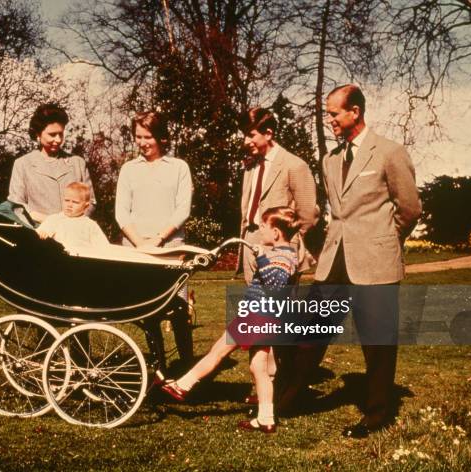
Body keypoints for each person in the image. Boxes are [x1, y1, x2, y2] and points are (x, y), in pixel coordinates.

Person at [283, 84, 422, 438]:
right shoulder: (330, 159)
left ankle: (377, 416)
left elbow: (409, 209)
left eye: (333, 113)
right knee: (310, 333)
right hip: (334, 262)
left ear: (355, 112)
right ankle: (288, 400)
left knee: (377, 343)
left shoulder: (389, 152)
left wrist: (384, 241)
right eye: (328, 113)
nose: (328, 119)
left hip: (375, 261)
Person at [161, 207, 299, 434]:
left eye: (263, 226)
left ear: (275, 232)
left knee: (217, 352)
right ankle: (266, 418)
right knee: (259, 368)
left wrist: (262, 258)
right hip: (264, 317)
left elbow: (275, 284)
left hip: (257, 316)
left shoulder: (282, 257)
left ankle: (182, 385)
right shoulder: (285, 253)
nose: (259, 230)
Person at [115, 111, 194, 369]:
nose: (142, 142)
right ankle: (159, 368)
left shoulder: (179, 167)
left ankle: (187, 366)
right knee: (148, 311)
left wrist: (159, 239)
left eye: (147, 136)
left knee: (179, 309)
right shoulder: (129, 169)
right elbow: (120, 213)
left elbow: (183, 209)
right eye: (138, 136)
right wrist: (141, 244)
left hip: (171, 249)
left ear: (160, 136)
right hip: (138, 250)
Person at [239, 107, 319, 284]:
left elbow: (307, 215)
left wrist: (287, 243)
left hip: (281, 247)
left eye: (250, 135)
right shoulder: (250, 167)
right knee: (255, 306)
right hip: (250, 242)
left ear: (268, 133)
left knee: (281, 309)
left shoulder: (294, 165)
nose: (246, 141)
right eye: (244, 135)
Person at [8, 103, 96, 223]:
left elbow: (90, 201)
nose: (58, 140)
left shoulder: (78, 163)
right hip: (38, 234)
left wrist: (74, 224)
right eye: (52, 135)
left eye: (61, 134)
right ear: (38, 134)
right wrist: (52, 223)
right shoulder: (22, 164)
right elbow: (18, 206)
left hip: (74, 234)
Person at [36, 182, 109, 249]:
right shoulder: (54, 219)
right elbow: (40, 233)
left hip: (81, 259)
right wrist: (42, 233)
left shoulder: (90, 225)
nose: (69, 205)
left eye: (75, 202)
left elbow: (103, 248)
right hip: (59, 257)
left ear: (86, 206)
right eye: (67, 200)